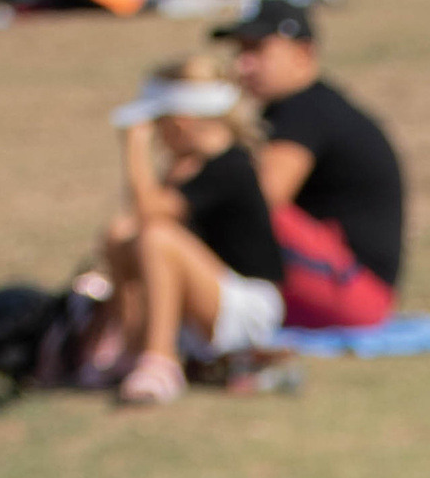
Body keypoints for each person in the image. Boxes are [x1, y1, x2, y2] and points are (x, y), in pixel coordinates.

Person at [85, 61, 286, 406]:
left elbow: (149, 213)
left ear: (179, 121)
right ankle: (130, 347)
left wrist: (134, 148)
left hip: (247, 305)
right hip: (211, 296)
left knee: (155, 236)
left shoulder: (230, 166)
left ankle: (159, 360)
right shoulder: (186, 167)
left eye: (157, 124)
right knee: (122, 234)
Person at [218, 0, 404, 330]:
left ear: (303, 52)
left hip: (356, 294)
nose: (242, 65)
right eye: (240, 52)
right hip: (352, 288)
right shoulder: (302, 107)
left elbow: (258, 201)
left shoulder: (303, 111)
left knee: (228, 206)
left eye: (257, 50)